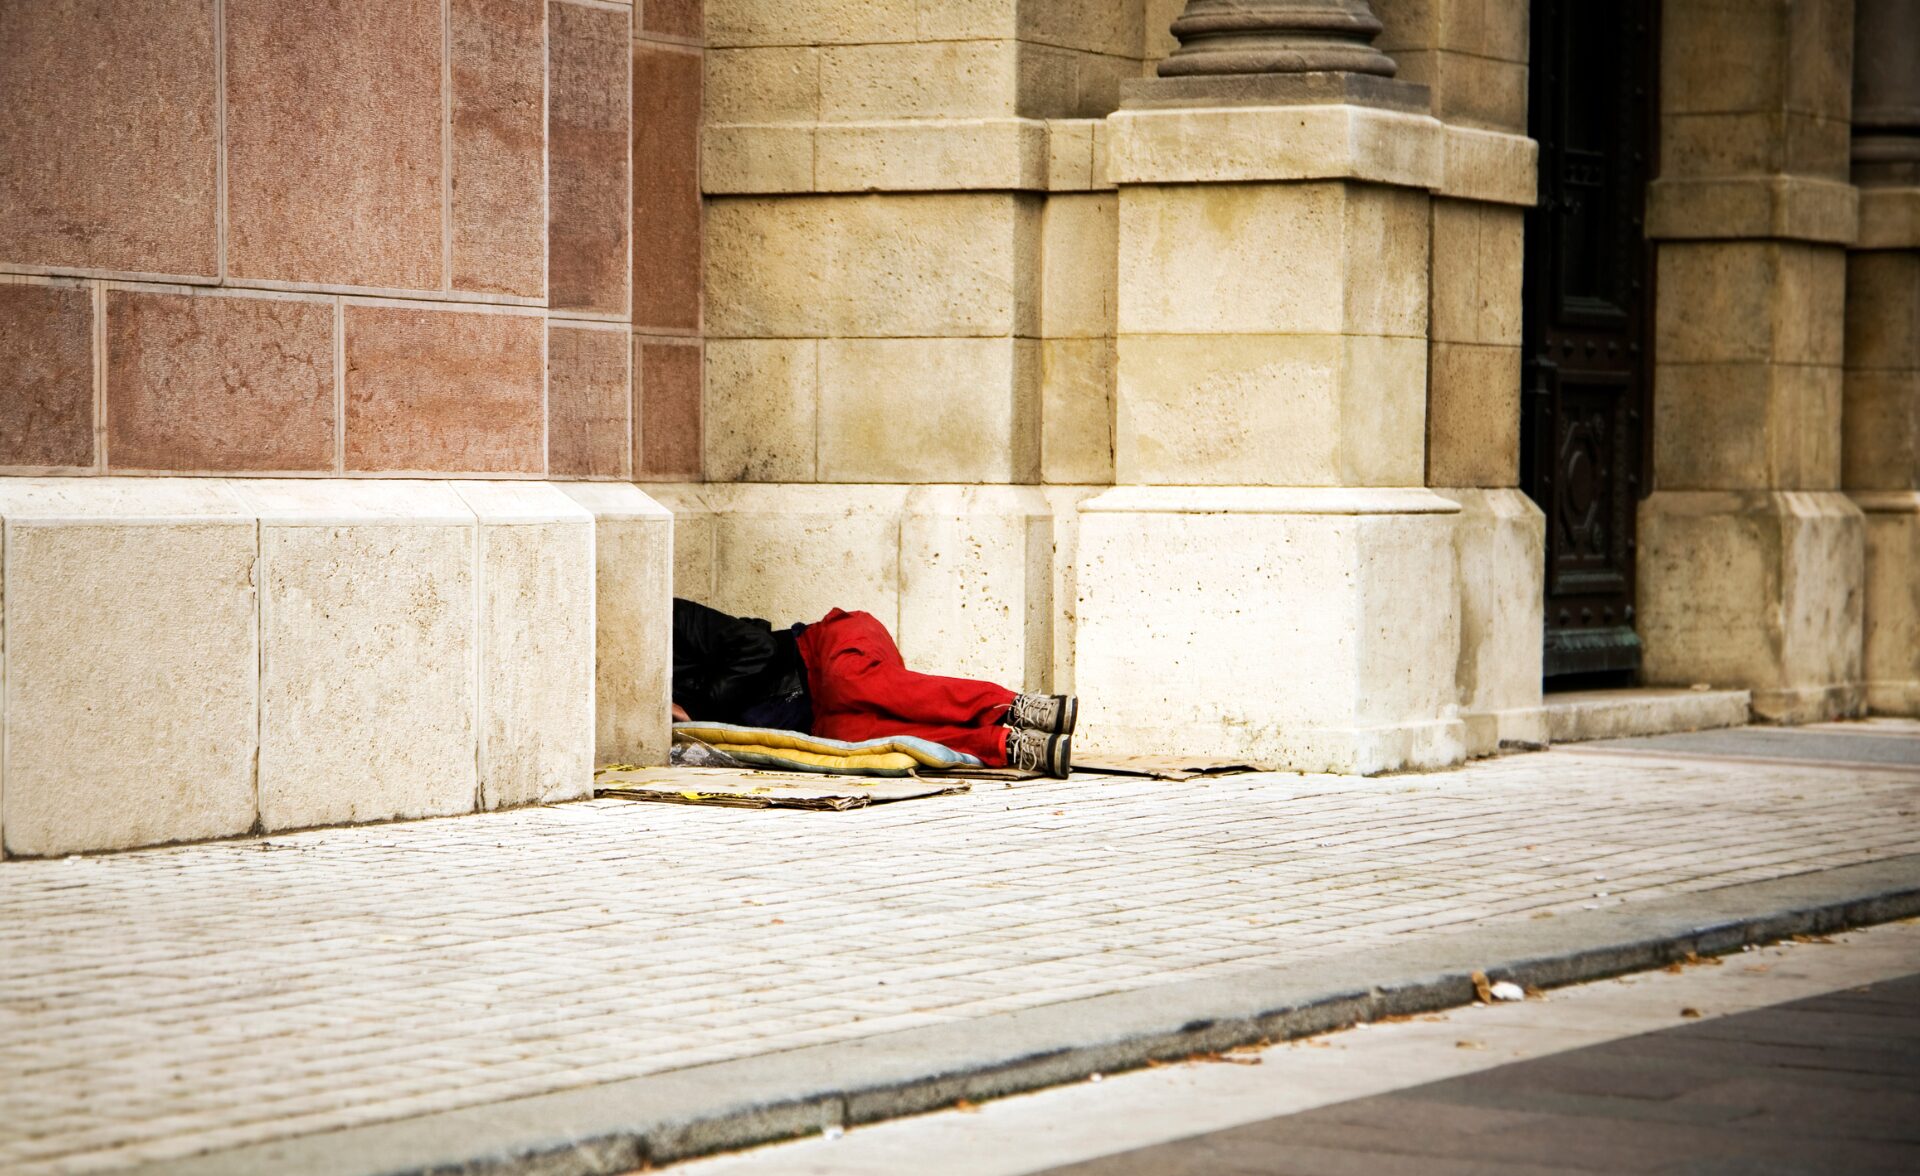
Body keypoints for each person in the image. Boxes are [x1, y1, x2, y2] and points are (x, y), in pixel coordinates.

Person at [671, 598, 1077, 776]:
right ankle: (1010, 746)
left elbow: (754, 647)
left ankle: (1013, 706)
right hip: (816, 718)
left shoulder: (669, 617)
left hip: (821, 651)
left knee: (852, 683)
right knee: (856, 736)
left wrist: (695, 704)